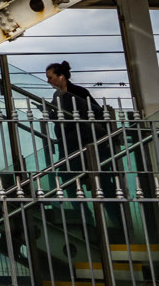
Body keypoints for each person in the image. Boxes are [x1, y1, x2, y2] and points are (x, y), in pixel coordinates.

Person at [43, 61, 119, 199]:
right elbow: (61, 117)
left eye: (50, 77)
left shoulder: (78, 92)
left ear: (61, 76)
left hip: (84, 143)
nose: (48, 81)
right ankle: (85, 210)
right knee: (69, 177)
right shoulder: (57, 95)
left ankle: (112, 210)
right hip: (69, 144)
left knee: (98, 181)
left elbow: (93, 113)